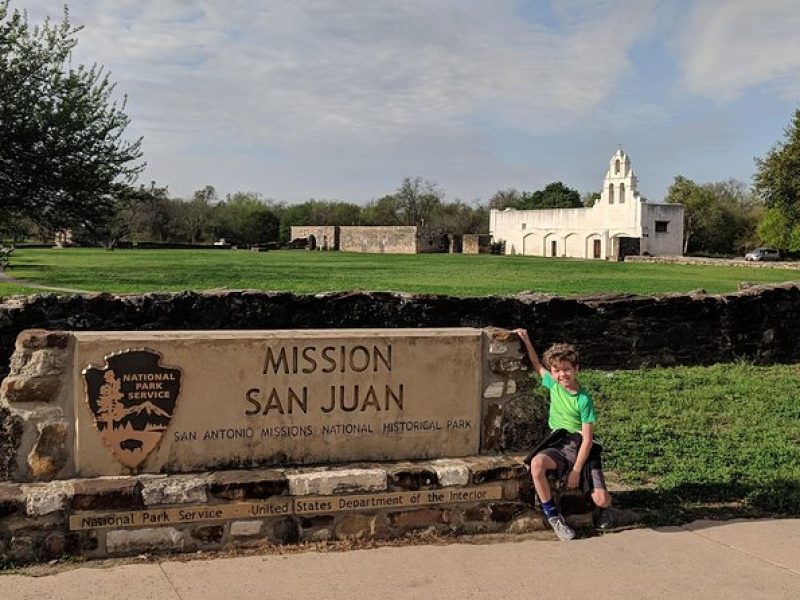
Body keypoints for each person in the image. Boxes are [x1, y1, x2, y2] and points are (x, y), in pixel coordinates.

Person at [514, 328, 613, 541]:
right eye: (557, 371)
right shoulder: (554, 385)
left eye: (566, 369)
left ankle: (603, 508)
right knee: (537, 464)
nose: (562, 375)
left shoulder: (584, 400)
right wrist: (526, 340)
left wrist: (576, 471)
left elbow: (587, 439)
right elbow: (536, 365)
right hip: (559, 442)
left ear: (576, 369)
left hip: (581, 447)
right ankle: (553, 516)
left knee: (601, 498)